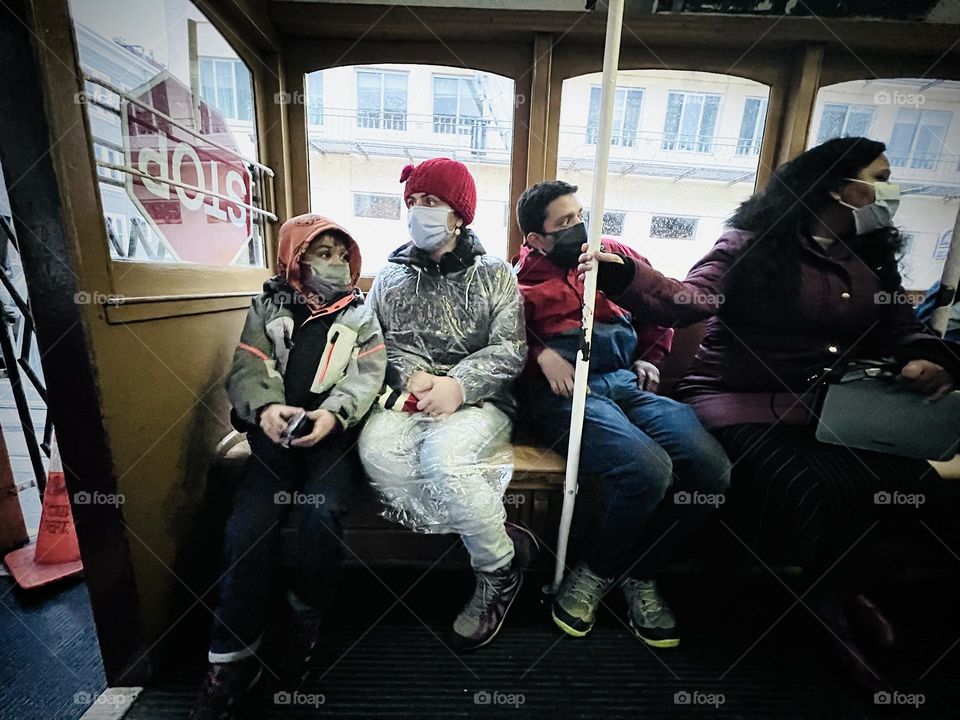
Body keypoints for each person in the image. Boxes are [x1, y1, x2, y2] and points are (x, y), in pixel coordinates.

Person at [578, 136, 960, 691]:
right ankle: (821, 602)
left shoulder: (867, 259)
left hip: (836, 411)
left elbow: (898, 322)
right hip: (740, 402)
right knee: (815, 491)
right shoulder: (750, 246)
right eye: (879, 176)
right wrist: (624, 274)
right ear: (838, 186)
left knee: (915, 488)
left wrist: (924, 353)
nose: (889, 189)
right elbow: (689, 300)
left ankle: (845, 587)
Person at [515, 181, 731, 648]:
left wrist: (651, 355)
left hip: (626, 382)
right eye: (565, 222)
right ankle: (593, 572)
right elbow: (499, 341)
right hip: (567, 394)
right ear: (535, 239)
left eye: (580, 215)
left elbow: (658, 308)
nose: (580, 227)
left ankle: (642, 573)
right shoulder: (518, 281)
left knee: (711, 471)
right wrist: (539, 355)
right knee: (646, 468)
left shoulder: (611, 255)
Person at [193, 214, 386, 719]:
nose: (337, 263)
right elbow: (250, 364)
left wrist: (332, 413)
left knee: (323, 513)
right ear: (295, 258)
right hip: (273, 439)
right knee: (247, 527)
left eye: (343, 254)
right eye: (324, 253)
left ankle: (303, 619)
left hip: (331, 438)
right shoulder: (268, 306)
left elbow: (369, 374)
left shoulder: (360, 314)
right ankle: (233, 656)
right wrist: (266, 410)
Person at [358, 158, 535, 652]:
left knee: (445, 462)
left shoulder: (496, 274)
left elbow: (508, 349)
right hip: (409, 396)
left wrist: (457, 385)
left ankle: (497, 572)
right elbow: (377, 341)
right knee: (379, 455)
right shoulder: (390, 277)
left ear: (459, 214)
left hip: (480, 400)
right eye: (412, 202)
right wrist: (414, 378)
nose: (419, 212)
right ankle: (496, 533)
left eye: (431, 202)